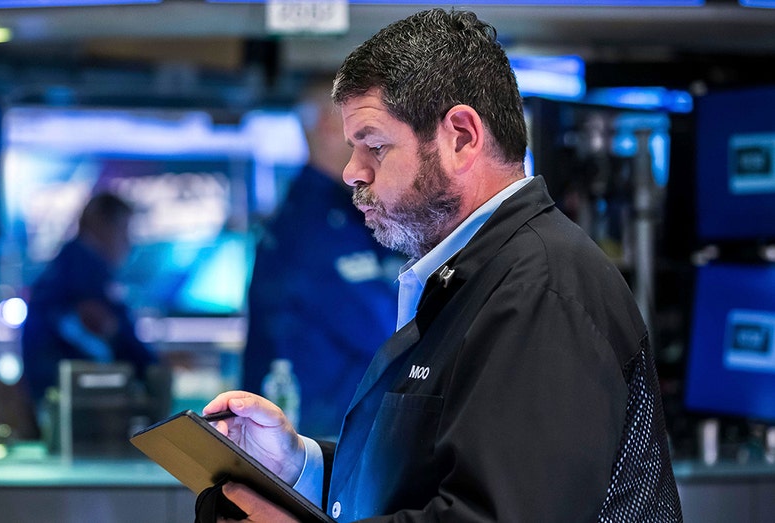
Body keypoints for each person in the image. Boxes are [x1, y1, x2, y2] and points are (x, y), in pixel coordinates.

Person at [202, 8, 682, 522]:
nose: (350, 173)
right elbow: (423, 476)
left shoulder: (541, 288)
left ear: (460, 137)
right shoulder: (468, 277)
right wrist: (301, 466)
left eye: (375, 146)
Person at [241, 77, 403, 439]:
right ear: (332, 128)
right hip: (318, 442)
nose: (375, 145)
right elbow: (388, 329)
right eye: (364, 130)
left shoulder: (339, 212)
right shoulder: (313, 225)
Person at [21, 192, 158, 403]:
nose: (129, 244)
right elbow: (111, 329)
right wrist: (153, 366)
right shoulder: (83, 273)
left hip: (56, 393)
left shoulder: (66, 268)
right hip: (76, 400)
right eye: (124, 231)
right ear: (101, 226)